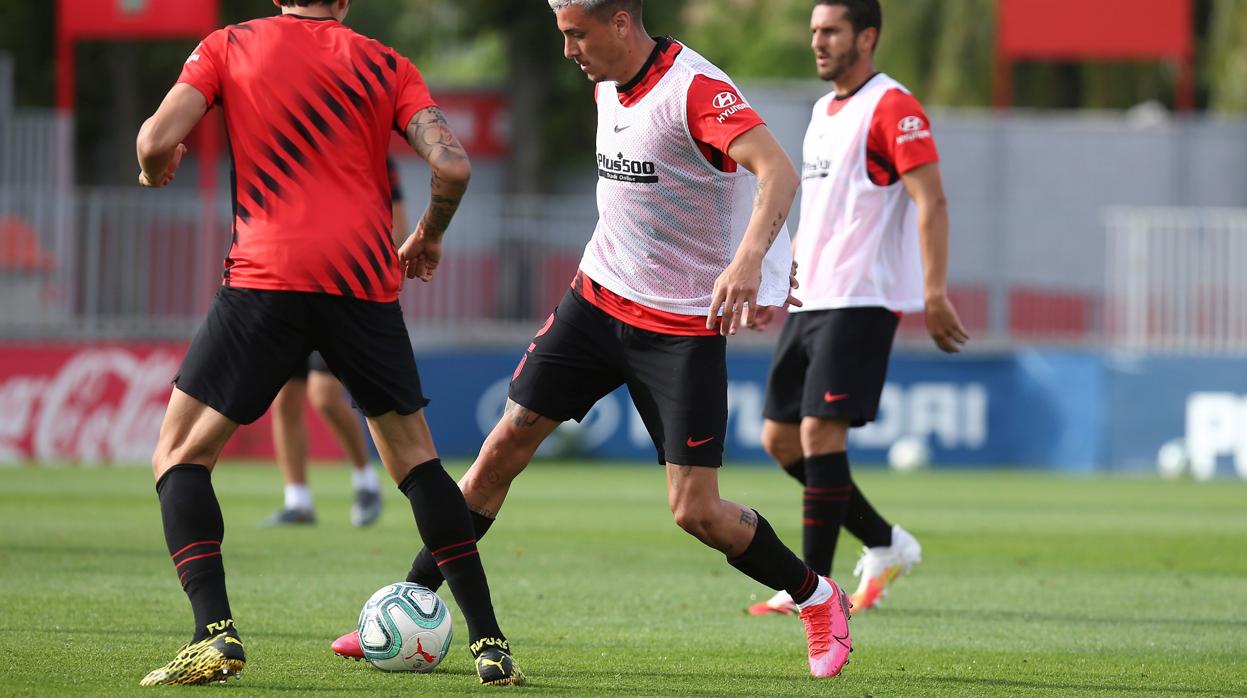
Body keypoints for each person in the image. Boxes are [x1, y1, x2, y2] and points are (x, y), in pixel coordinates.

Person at [332, 0, 853, 679]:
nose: (568, 50)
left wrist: (753, 260)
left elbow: (774, 171)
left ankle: (816, 596)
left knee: (695, 512)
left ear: (619, 23)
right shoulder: (605, 79)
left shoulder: (694, 89)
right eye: (561, 34)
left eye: (576, 34)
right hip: (595, 301)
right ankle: (410, 602)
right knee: (500, 450)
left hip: (678, 330)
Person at [134, 0, 522, 686]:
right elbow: (454, 166)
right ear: (344, 1)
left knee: (179, 455)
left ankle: (214, 634)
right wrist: (428, 232)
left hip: (267, 275)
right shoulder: (386, 63)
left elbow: (154, 139)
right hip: (362, 283)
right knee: (417, 462)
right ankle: (489, 642)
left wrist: (154, 166)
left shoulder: (229, 45)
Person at [746, 0, 969, 617]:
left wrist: (933, 292)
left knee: (819, 434)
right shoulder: (822, 111)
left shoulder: (894, 107)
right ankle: (885, 542)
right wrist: (778, 280)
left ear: (866, 36)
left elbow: (932, 202)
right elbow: (817, 214)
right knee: (780, 440)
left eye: (832, 31)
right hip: (812, 298)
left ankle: (813, 591)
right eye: (814, 31)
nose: (818, 41)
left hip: (863, 298)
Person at [263, 158, 406, 528]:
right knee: (286, 398)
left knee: (324, 395)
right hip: (289, 288)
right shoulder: (292, 151)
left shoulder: (370, 156)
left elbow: (398, 219)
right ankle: (298, 501)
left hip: (341, 289)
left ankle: (366, 483)